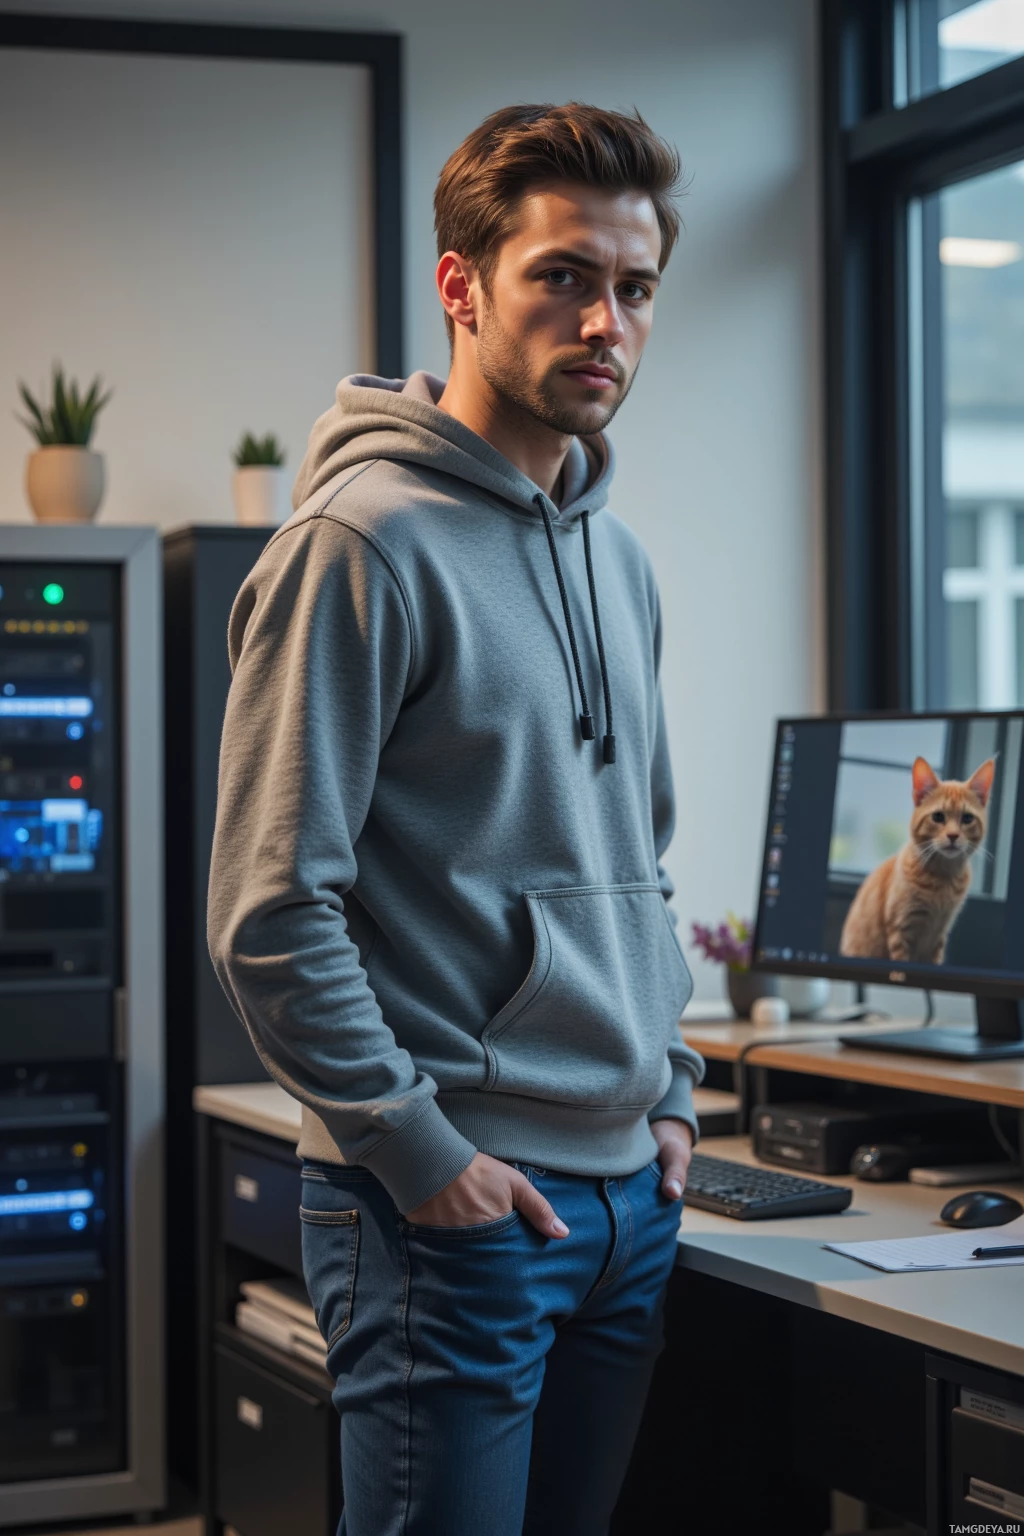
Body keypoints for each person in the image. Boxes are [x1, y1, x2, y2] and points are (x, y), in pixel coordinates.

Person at [208, 101, 705, 1536]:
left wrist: (667, 1086)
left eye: (635, 287)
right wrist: (424, 1159)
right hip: (455, 1213)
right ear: (463, 286)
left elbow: (638, 864)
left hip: (627, 1205)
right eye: (562, 275)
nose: (604, 320)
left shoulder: (622, 566)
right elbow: (267, 907)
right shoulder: (359, 544)